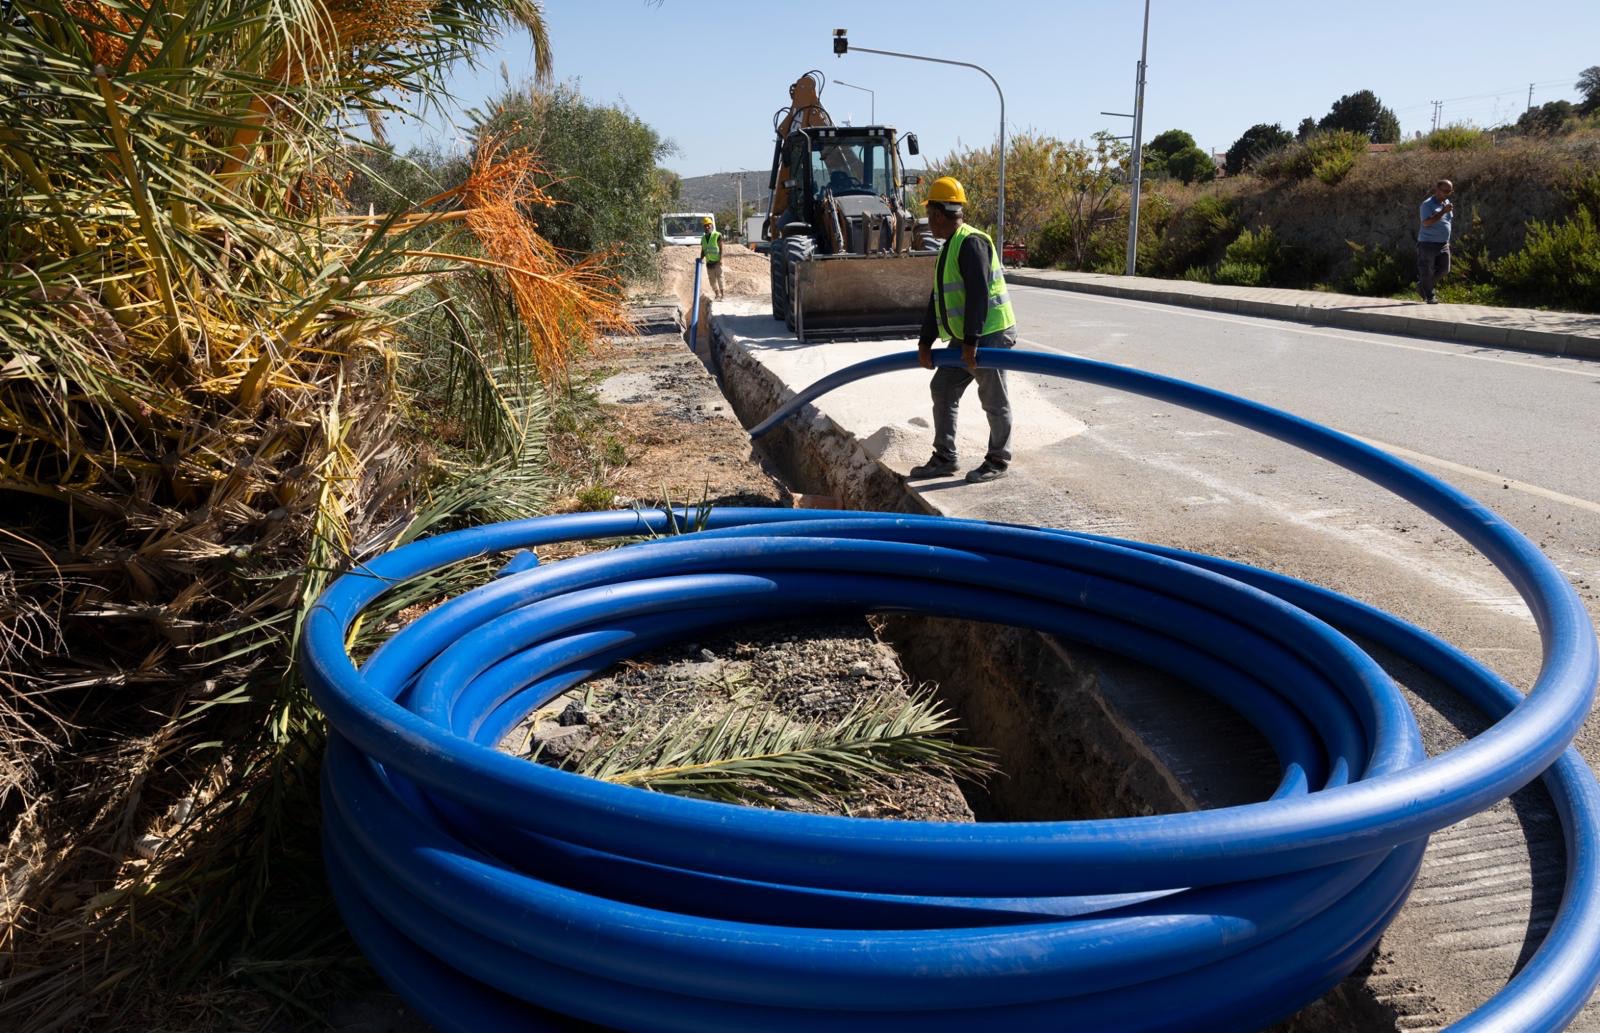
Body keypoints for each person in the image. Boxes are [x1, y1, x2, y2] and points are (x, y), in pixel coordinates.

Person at [908, 176, 1018, 484]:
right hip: (967, 338)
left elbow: (979, 295)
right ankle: (945, 457)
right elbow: (937, 300)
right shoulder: (948, 248)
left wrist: (971, 343)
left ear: (938, 215)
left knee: (993, 398)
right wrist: (925, 342)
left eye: (929, 215)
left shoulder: (971, 242)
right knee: (943, 387)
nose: (928, 222)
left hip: (990, 334)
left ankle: (998, 459)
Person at [1417, 178, 1454, 304]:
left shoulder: (1447, 202)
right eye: (1445, 190)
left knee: (1445, 269)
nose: (1447, 193)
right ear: (1437, 190)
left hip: (1443, 243)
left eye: (1450, 191)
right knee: (1427, 270)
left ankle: (1423, 285)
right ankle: (1430, 296)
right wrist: (1443, 211)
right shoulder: (1427, 204)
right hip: (1428, 243)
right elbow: (1426, 222)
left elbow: (1447, 222)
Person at [700, 217, 724, 301]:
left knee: (720, 277)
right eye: (705, 226)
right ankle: (717, 294)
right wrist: (701, 258)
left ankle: (723, 294)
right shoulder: (703, 238)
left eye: (708, 225)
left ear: (712, 225)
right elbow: (703, 249)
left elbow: (721, 247)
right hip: (709, 262)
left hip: (717, 261)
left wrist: (720, 259)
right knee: (712, 280)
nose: (707, 227)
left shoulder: (717, 235)